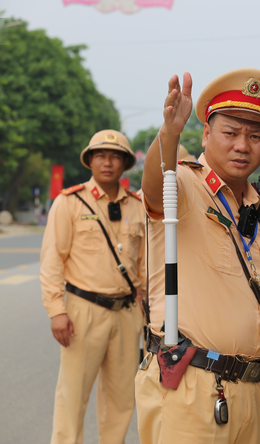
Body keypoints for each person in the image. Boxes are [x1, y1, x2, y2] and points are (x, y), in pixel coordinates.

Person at [135, 69, 260, 444]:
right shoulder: (185, 186)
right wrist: (169, 133)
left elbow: (242, 281)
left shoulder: (251, 205)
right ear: (206, 134)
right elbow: (156, 186)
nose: (243, 146)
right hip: (191, 387)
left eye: (256, 136)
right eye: (231, 133)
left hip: (249, 389)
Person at [40, 129, 146, 444]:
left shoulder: (137, 206)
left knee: (121, 399)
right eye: (100, 155)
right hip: (82, 312)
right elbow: (52, 262)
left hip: (127, 313)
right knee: (72, 397)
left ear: (126, 163)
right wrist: (56, 311)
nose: (108, 162)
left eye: (115, 156)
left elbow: (144, 264)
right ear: (90, 161)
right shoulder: (69, 202)